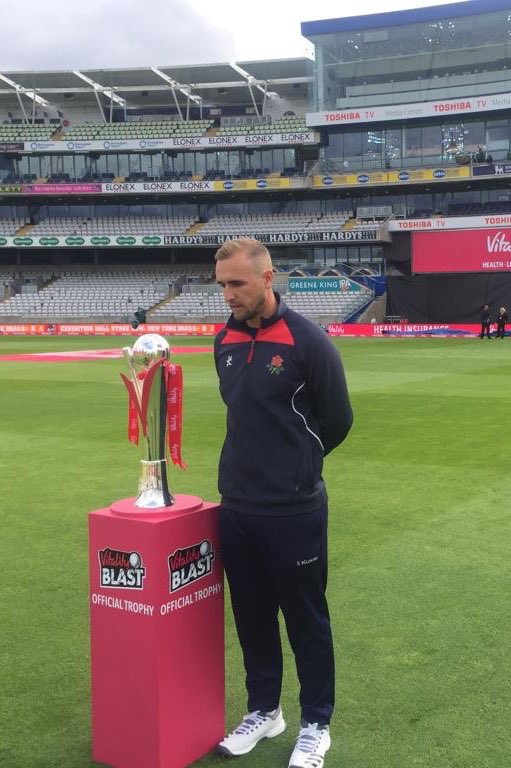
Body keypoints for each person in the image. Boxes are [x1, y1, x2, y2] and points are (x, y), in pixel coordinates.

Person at [213, 238, 353, 768]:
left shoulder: (307, 340)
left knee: (305, 619)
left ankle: (316, 722)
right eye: (222, 284)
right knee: (251, 617)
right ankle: (264, 711)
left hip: (294, 510)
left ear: (268, 278)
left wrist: (297, 470)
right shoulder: (223, 338)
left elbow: (337, 420)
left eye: (238, 283)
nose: (228, 294)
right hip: (238, 507)